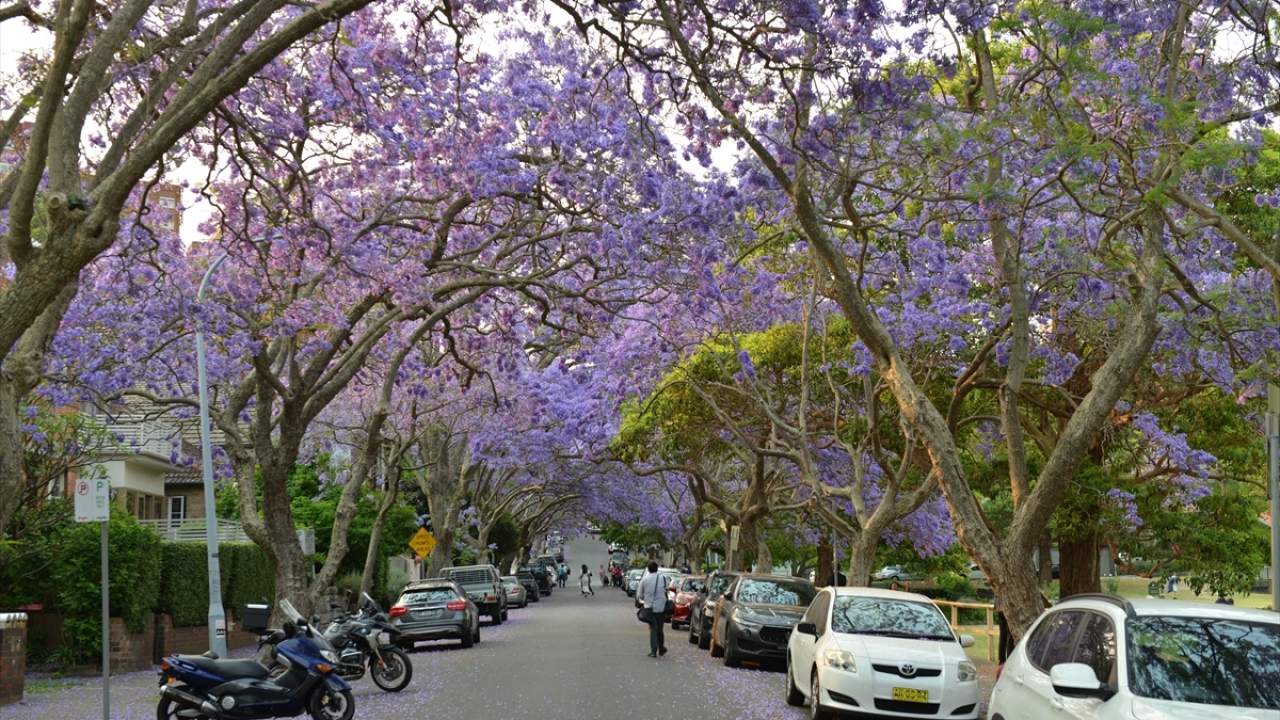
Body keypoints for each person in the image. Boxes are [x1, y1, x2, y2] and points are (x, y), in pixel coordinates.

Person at [637, 560, 667, 658]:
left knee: (653, 627)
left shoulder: (644, 580)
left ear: (648, 570)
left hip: (649, 607)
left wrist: (646, 599)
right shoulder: (662, 578)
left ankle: (654, 650)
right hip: (660, 607)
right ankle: (661, 648)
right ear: (657, 569)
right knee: (660, 628)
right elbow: (664, 591)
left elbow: (639, 595)